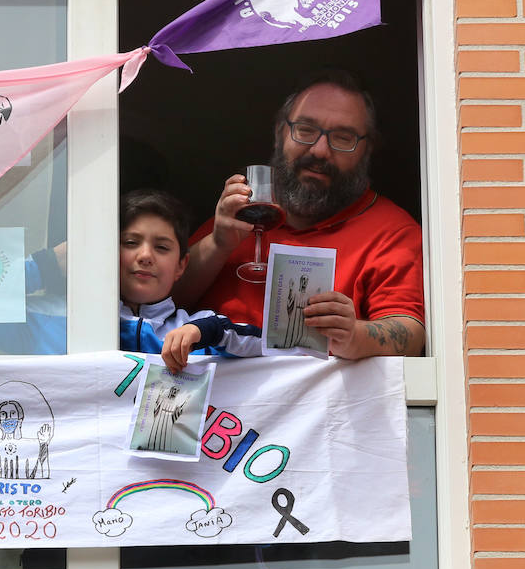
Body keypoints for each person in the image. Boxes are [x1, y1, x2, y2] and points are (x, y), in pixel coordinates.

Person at [172, 69, 426, 359]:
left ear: (367, 148)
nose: (320, 150)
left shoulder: (392, 232)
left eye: (343, 137)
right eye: (305, 130)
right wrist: (217, 244)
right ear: (280, 131)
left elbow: (410, 333)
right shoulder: (241, 213)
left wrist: (355, 336)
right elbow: (155, 301)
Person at [0, 190, 259, 362]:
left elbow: (281, 351)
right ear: (107, 252)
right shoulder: (60, 318)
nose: (146, 255)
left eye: (162, 247)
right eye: (130, 243)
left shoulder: (197, 332)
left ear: (181, 266)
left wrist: (206, 331)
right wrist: (47, 266)